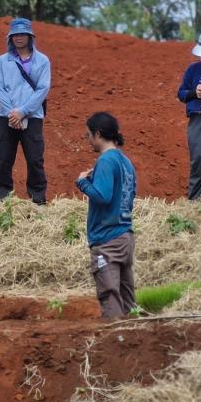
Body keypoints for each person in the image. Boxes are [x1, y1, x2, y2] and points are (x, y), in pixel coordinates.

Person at [75, 111, 137, 320]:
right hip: (125, 237)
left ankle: (117, 345)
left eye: (88, 135)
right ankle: (134, 342)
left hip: (107, 240)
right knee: (128, 301)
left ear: (98, 133)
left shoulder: (106, 160)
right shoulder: (126, 162)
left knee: (110, 299)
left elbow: (102, 196)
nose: (88, 139)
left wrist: (83, 182)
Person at [0, 17, 51, 205]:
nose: (18, 38)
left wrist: (23, 111)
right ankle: (3, 198)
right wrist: (12, 113)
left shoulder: (42, 60)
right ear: (10, 37)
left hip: (33, 117)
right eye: (15, 34)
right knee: (4, 158)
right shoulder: (2, 61)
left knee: (35, 160)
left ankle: (38, 199)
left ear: (30, 36)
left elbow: (43, 88)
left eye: (22, 34)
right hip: (6, 117)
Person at [177, 31, 201, 201]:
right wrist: (195, 93)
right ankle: (196, 202)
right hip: (198, 118)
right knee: (199, 158)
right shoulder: (193, 69)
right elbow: (181, 93)